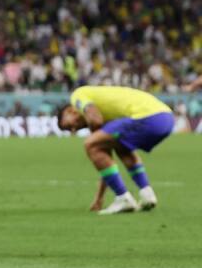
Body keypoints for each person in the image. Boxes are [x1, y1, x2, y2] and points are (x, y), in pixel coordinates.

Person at [57, 85, 173, 214]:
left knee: (90, 144)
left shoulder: (77, 95)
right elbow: (107, 161)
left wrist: (95, 137)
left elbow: (95, 120)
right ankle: (147, 194)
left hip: (149, 117)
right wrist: (99, 198)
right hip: (166, 117)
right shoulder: (106, 114)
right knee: (122, 149)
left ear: (70, 111)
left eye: (68, 126)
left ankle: (123, 197)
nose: (74, 130)